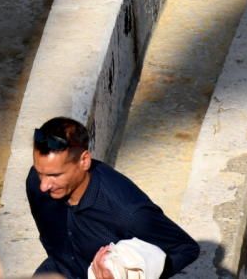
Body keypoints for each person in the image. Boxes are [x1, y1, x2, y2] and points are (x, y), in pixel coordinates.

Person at [27, 117, 199, 278]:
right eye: (40, 172)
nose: (44, 185)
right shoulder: (36, 183)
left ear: (84, 161)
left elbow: (186, 249)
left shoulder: (129, 213)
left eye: (55, 175)